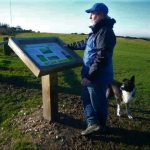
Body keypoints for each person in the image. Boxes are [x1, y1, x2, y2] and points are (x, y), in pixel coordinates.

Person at [66, 3, 116, 135]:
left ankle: (98, 125)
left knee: (98, 102)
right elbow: (85, 43)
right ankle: (94, 123)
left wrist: (89, 77)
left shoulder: (105, 32)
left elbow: (102, 57)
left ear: (100, 14)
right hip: (92, 75)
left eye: (92, 13)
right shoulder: (97, 31)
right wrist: (68, 46)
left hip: (97, 77)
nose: (90, 17)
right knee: (87, 98)